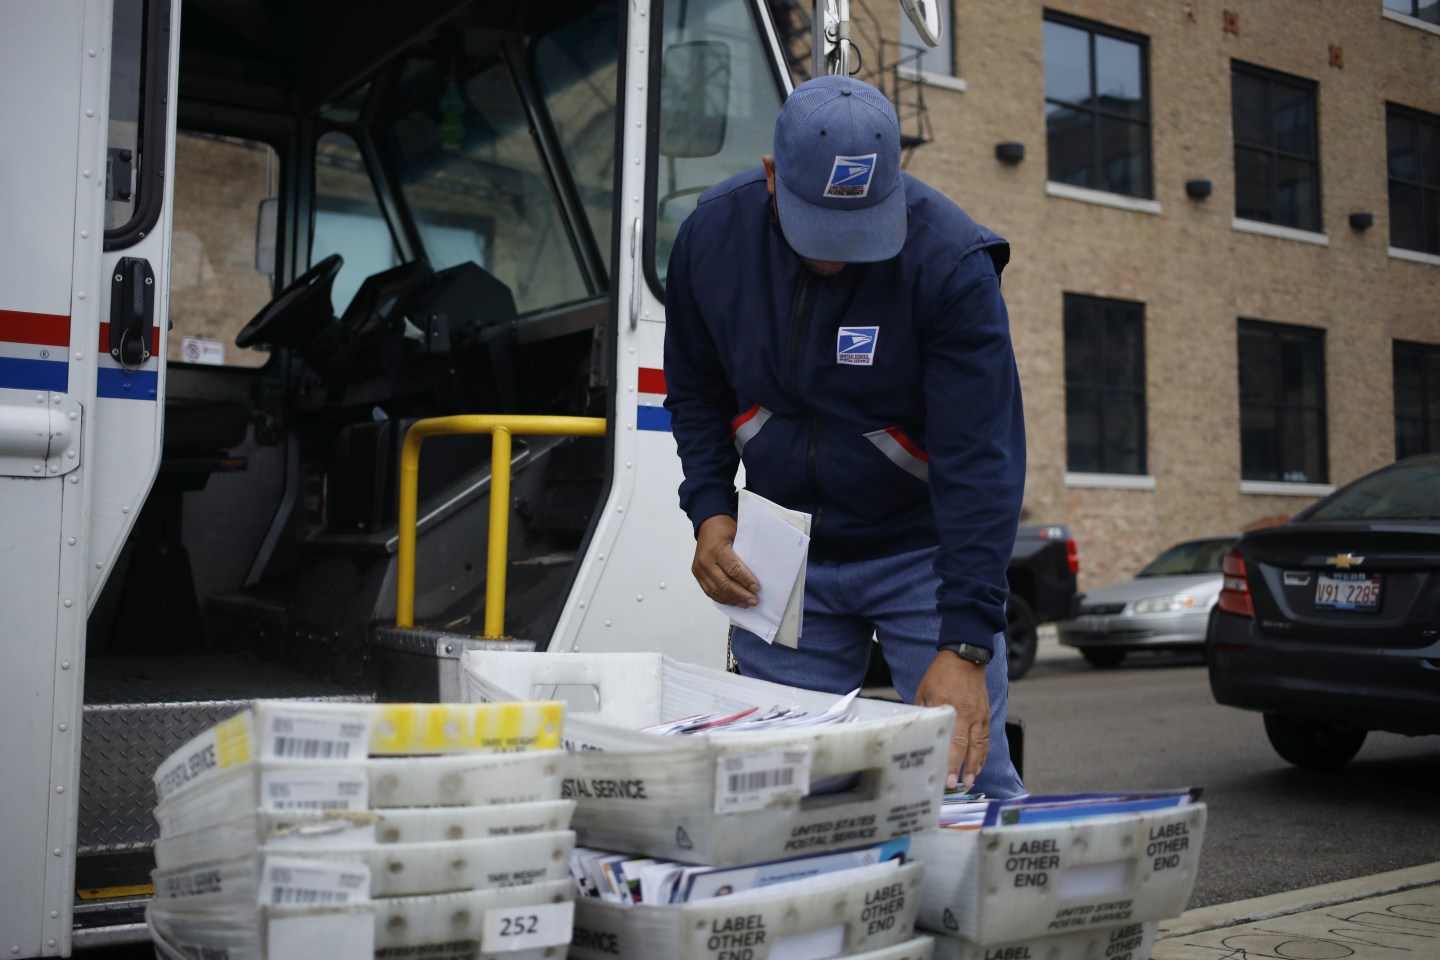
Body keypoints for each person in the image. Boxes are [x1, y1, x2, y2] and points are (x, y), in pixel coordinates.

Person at [663, 75, 1026, 799]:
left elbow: (980, 462)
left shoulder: (951, 266)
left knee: (963, 783)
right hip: (783, 554)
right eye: (821, 232)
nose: (839, 257)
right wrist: (710, 510)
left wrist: (964, 643)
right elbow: (697, 391)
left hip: (921, 555)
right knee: (787, 796)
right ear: (772, 177)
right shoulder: (710, 238)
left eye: (861, 232)